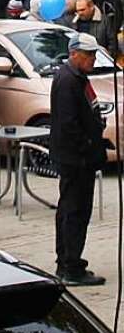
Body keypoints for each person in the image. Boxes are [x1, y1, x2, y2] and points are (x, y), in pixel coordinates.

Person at [50, 33, 109, 286]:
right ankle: (70, 266)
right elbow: (68, 123)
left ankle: (69, 261)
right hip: (75, 159)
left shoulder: (78, 77)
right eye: (88, 55)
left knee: (73, 210)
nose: (92, 60)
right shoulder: (67, 80)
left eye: (94, 55)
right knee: (74, 211)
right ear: (74, 54)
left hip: (81, 157)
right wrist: (85, 147)